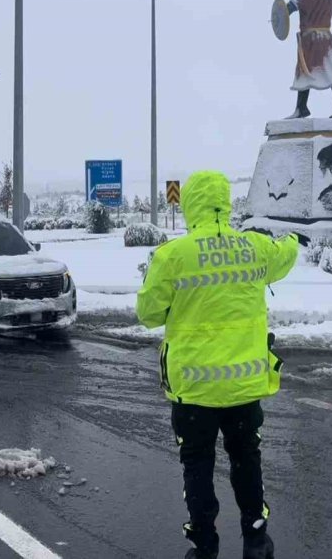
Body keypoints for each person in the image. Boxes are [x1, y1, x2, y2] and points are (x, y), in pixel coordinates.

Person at [136, 171, 307, 559]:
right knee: (247, 460)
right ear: (226, 204)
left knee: (196, 465)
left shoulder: (173, 256)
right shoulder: (256, 248)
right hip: (245, 386)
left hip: (194, 390)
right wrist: (295, 239)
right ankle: (256, 538)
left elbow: (148, 313)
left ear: (190, 204)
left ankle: (204, 545)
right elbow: (284, 257)